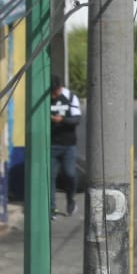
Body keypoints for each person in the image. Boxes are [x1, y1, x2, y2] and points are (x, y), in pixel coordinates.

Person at [48, 76, 82, 217]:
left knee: (70, 174)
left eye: (55, 92)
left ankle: (71, 200)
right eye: (52, 93)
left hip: (68, 145)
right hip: (51, 144)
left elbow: (76, 119)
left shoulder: (70, 97)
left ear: (60, 88)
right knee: (50, 176)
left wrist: (61, 120)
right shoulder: (46, 98)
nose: (53, 96)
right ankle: (52, 208)